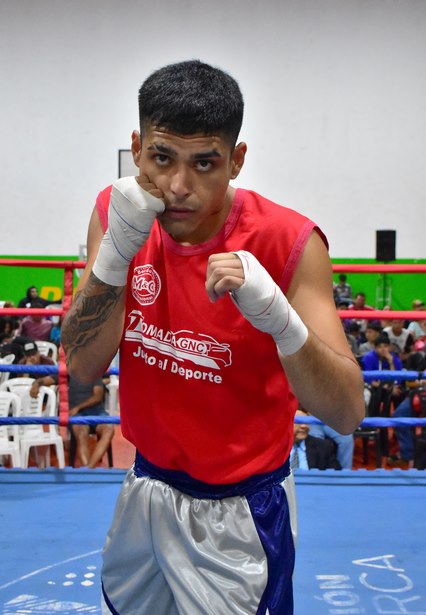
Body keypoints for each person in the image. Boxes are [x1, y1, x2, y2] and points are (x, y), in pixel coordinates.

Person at [62, 60, 364, 615]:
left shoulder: (289, 241)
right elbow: (81, 365)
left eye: (205, 163)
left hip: (241, 513)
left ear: (236, 160)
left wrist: (281, 322)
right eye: (162, 158)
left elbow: (346, 412)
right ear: (137, 149)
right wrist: (114, 257)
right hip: (144, 490)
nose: (178, 187)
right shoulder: (117, 212)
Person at [389, 339, 426, 467]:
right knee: (399, 416)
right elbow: (410, 381)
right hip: (418, 395)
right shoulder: (420, 358)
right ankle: (408, 454)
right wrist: (422, 383)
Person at [68, 376, 114, 468]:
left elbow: (98, 396)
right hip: (78, 415)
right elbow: (49, 379)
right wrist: (38, 383)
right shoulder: (69, 373)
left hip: (97, 412)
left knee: (108, 430)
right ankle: (89, 470)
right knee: (81, 433)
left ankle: (89, 469)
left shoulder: (93, 374)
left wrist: (78, 407)